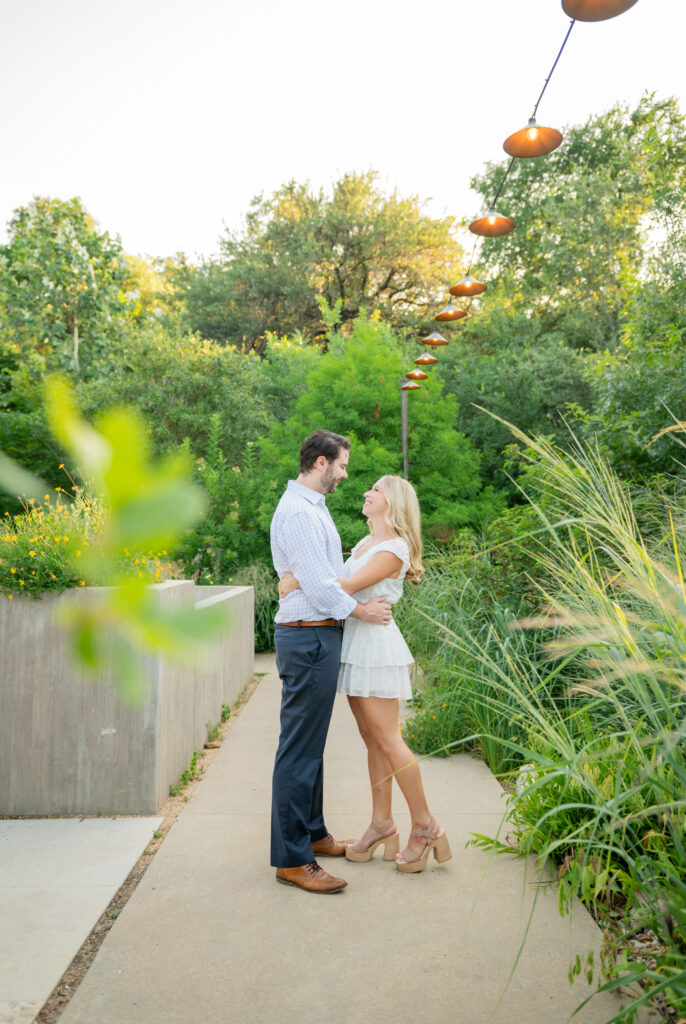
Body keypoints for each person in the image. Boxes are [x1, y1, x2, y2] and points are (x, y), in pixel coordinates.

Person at [279, 474, 451, 873]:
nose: (365, 493)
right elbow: (334, 583)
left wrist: (295, 577)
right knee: (372, 738)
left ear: (390, 502)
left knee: (388, 739)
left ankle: (425, 826)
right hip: (356, 641)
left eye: (374, 490)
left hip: (376, 646)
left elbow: (345, 584)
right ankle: (381, 823)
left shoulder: (394, 549)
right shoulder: (364, 543)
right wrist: (310, 577)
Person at [270, 430, 393, 895]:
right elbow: (324, 588)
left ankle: (314, 834)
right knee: (298, 751)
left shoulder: (311, 509)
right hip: (308, 639)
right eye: (341, 465)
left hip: (317, 637)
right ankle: (292, 859)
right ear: (321, 462)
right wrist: (361, 610)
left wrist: (298, 576)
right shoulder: (301, 512)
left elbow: (322, 574)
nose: (345, 474)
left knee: (310, 748)